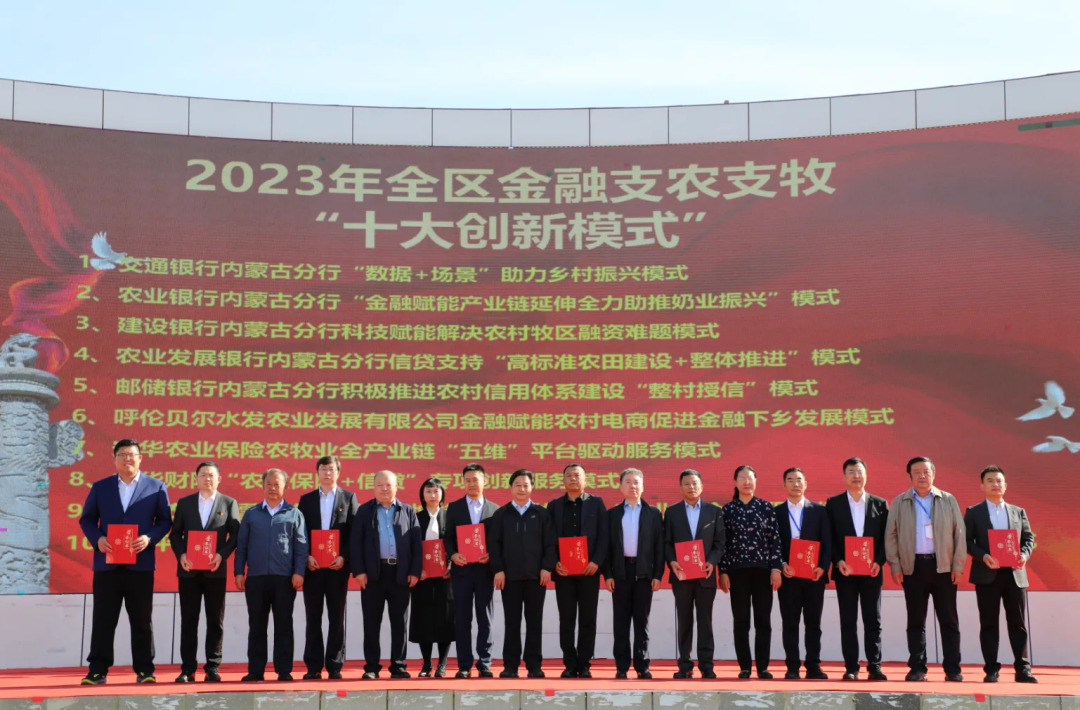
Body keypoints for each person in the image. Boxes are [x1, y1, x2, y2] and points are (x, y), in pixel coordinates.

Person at [79, 438, 172, 685]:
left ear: (140, 458)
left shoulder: (156, 487)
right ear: (115, 459)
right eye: (122, 454)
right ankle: (97, 670)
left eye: (131, 454)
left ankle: (145, 670)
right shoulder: (101, 487)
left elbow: (165, 521)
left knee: (142, 619)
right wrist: (97, 539)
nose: (127, 459)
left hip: (140, 564)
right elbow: (87, 519)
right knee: (103, 618)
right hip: (107, 564)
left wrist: (149, 538)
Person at [885, 456, 966, 682]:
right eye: (917, 472)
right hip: (913, 568)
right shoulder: (900, 501)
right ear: (910, 476)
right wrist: (895, 565)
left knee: (949, 621)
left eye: (926, 472)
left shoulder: (948, 499)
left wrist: (958, 565)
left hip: (944, 568)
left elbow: (959, 534)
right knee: (915, 621)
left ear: (933, 474)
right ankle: (917, 668)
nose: (922, 476)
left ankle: (953, 669)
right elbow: (890, 535)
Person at [964, 465, 1038, 683]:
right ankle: (991, 669)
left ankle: (1022, 669)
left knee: (1018, 623)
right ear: (982, 485)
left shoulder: (1018, 511)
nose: (995, 484)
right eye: (990, 481)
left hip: (1014, 574)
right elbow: (967, 541)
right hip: (987, 573)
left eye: (999, 481)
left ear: (1005, 485)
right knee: (989, 623)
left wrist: (1024, 555)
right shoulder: (974, 512)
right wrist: (983, 556)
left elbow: (1028, 538)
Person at [169, 461, 240, 683]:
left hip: (214, 571)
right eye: (203, 475)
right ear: (196, 478)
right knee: (189, 620)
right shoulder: (185, 503)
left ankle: (212, 667)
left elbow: (235, 535)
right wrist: (181, 555)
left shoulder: (228, 503)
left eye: (211, 475)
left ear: (219, 479)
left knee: (215, 620)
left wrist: (222, 555)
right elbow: (175, 534)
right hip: (189, 571)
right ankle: (188, 669)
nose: (207, 479)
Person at [234, 468, 308, 682]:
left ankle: (284, 670)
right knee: (257, 625)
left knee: (283, 625)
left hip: (284, 578)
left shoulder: (294, 514)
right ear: (263, 486)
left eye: (277, 484)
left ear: (286, 487)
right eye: (269, 484)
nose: (273, 488)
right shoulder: (252, 513)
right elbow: (242, 545)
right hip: (256, 578)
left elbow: (301, 546)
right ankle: (255, 670)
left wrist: (299, 572)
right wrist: (239, 572)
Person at [351, 470, 421, 679]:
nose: (384, 489)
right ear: (373, 487)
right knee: (371, 623)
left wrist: (414, 571)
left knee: (399, 623)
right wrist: (359, 571)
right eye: (380, 485)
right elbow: (356, 543)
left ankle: (398, 666)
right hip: (373, 574)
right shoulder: (365, 511)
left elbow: (416, 544)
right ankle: (372, 667)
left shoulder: (408, 511)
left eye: (388, 485)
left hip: (400, 574)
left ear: (396, 487)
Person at [825, 457, 889, 681]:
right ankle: (851, 667)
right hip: (846, 571)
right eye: (851, 472)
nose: (856, 476)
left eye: (860, 471)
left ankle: (875, 666)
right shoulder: (834, 504)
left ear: (866, 475)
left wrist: (879, 561)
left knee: (873, 620)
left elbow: (887, 538)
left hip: (872, 571)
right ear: (844, 476)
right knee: (848, 621)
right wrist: (838, 560)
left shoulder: (880, 504)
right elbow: (829, 538)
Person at [489, 469, 557, 679]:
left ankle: (534, 665)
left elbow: (550, 543)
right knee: (512, 623)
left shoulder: (541, 513)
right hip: (509, 578)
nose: (521, 489)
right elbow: (494, 545)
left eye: (526, 485)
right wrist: (498, 570)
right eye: (517, 485)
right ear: (511, 488)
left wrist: (547, 567)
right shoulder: (501, 514)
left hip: (536, 577)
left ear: (532, 488)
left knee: (534, 622)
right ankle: (510, 666)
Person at [297, 455, 359, 680]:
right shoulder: (307, 500)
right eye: (323, 469)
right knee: (313, 617)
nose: (327, 473)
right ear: (318, 473)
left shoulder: (348, 497)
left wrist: (344, 556)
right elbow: (300, 532)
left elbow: (354, 533)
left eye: (331, 469)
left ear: (338, 473)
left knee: (336, 617)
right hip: (313, 567)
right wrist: (306, 556)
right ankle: (313, 666)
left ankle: (334, 665)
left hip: (337, 568)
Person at [718, 465, 782, 680]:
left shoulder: (766, 507)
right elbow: (723, 544)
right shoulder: (727, 510)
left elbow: (775, 540)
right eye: (742, 478)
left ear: (756, 481)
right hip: (737, 572)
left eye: (750, 478)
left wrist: (775, 568)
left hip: (763, 572)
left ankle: (763, 667)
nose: (747, 482)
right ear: (735, 482)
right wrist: (723, 571)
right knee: (741, 620)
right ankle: (744, 666)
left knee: (763, 620)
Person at [547, 463, 608, 678]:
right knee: (566, 619)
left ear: (585, 479)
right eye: (569, 475)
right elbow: (549, 538)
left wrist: (597, 562)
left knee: (588, 619)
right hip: (564, 572)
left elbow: (604, 535)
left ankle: (584, 663)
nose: (573, 478)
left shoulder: (596, 503)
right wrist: (554, 562)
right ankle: (570, 663)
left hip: (588, 571)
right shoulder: (554, 506)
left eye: (577, 475)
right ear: (563, 480)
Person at [663, 468, 725, 679]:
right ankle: (684, 664)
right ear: (680, 487)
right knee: (684, 620)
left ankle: (706, 665)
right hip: (681, 575)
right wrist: (672, 561)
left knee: (705, 621)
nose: (691, 487)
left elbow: (720, 543)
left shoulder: (714, 511)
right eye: (687, 484)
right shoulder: (672, 512)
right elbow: (667, 542)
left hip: (705, 575)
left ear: (702, 486)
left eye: (695, 483)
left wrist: (711, 561)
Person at [605, 467, 664, 680]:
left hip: (644, 573)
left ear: (643, 486)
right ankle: (621, 666)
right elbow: (607, 547)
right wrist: (608, 574)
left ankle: (642, 666)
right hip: (620, 572)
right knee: (620, 622)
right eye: (628, 482)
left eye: (636, 482)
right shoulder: (612, 514)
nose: (633, 486)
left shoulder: (653, 513)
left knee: (642, 622)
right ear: (621, 487)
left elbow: (659, 547)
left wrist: (657, 575)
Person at [443, 463, 499, 678]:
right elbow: (448, 538)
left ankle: (484, 662)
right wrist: (453, 554)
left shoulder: (495, 509)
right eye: (468, 480)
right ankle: (464, 664)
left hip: (485, 571)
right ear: (463, 483)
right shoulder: (454, 508)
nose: (472, 484)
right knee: (462, 619)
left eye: (476, 480)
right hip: (462, 571)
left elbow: (498, 540)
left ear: (485, 481)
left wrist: (492, 555)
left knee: (485, 618)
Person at [775, 467, 832, 680]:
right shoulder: (777, 512)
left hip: (813, 576)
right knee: (790, 623)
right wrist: (781, 564)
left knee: (813, 624)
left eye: (799, 480)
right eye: (790, 480)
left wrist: (822, 566)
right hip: (788, 576)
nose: (795, 484)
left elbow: (827, 542)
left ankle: (813, 666)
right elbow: (773, 544)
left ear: (806, 484)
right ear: (784, 485)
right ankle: (792, 667)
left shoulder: (819, 511)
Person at [410, 477, 455, 677]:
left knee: (445, 619)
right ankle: (427, 664)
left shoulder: (450, 516)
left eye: (436, 491)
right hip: (423, 578)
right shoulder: (415, 517)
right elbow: (410, 547)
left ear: (442, 494)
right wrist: (416, 569)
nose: (433, 495)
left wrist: (452, 567)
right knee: (424, 619)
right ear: (422, 495)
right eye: (428, 491)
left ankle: (442, 664)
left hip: (446, 577)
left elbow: (456, 544)